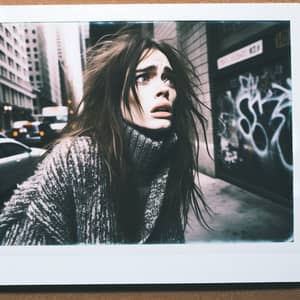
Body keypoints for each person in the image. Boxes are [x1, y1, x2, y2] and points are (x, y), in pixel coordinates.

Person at [0, 27, 210, 245]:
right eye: (143, 77)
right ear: (114, 94)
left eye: (168, 78)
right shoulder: (75, 159)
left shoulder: (170, 158)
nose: (163, 89)